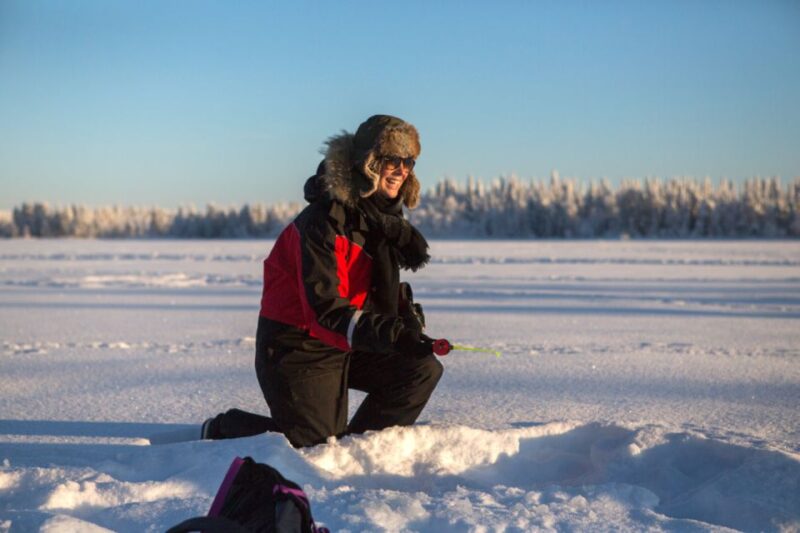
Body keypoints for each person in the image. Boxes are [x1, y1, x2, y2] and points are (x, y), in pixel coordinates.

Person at [203, 115, 443, 447]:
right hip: (297, 344)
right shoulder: (323, 221)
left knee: (421, 369)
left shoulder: (383, 222)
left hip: (343, 338)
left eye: (409, 161)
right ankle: (226, 428)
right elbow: (326, 310)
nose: (402, 169)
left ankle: (358, 450)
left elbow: (370, 290)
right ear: (368, 162)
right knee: (314, 449)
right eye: (392, 159)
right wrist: (391, 334)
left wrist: (404, 320)